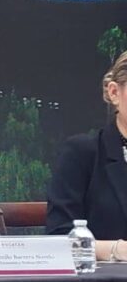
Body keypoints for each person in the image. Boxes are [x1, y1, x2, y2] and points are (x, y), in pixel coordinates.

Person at [46, 50, 127, 261]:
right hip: (109, 278)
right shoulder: (82, 153)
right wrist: (117, 250)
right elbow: (60, 236)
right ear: (114, 92)